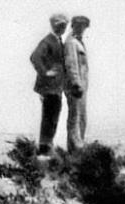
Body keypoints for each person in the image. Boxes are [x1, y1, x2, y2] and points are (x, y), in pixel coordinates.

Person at [30, 13, 69, 156]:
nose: (62, 28)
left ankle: (47, 144)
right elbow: (35, 57)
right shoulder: (48, 41)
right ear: (53, 26)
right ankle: (44, 147)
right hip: (49, 87)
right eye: (60, 26)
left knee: (54, 114)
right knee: (49, 115)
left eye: (64, 26)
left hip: (56, 87)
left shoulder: (58, 41)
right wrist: (45, 72)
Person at [64, 15, 90, 152]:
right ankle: (75, 149)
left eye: (83, 27)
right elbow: (71, 64)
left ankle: (78, 147)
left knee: (81, 118)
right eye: (79, 26)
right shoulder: (71, 42)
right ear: (73, 26)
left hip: (82, 87)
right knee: (75, 118)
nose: (81, 29)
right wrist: (76, 83)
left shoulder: (78, 42)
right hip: (76, 87)